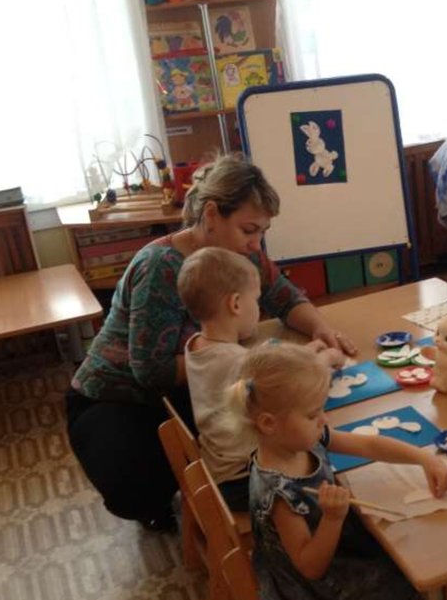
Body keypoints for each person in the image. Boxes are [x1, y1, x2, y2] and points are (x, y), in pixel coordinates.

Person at [66, 153, 358, 532]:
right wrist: (247, 361)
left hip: (190, 383)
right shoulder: (160, 266)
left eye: (262, 232)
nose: (256, 244)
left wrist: (321, 328)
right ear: (211, 215)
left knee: (274, 418)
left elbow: (285, 297)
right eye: (248, 230)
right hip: (116, 399)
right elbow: (151, 370)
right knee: (143, 482)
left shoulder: (241, 255)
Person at [235, 344, 447, 600]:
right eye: (312, 414)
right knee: (402, 567)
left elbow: (367, 444)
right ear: (268, 423)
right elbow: (310, 567)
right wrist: (333, 519)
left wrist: (422, 458)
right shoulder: (278, 494)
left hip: (336, 544)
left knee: (401, 547)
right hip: (316, 592)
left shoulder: (299, 440)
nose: (323, 419)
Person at [178, 246, 343, 511]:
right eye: (255, 301)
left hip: (219, 470)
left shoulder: (196, 345)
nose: (258, 309)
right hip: (244, 480)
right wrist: (325, 359)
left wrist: (305, 351)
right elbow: (291, 378)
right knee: (328, 465)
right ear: (235, 304)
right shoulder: (237, 361)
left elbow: (264, 360)